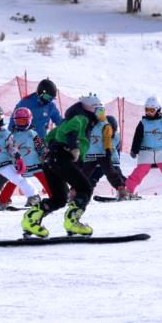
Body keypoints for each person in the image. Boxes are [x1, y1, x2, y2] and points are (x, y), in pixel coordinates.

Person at [21, 94, 103, 238]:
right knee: (86, 188)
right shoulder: (82, 118)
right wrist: (73, 147)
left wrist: (53, 149)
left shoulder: (70, 119)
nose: (101, 114)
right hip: (61, 159)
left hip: (50, 162)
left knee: (59, 199)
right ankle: (72, 222)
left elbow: (49, 137)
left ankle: (30, 220)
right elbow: (69, 131)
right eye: (99, 110)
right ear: (90, 109)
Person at [0, 78, 62, 202]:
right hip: (21, 141)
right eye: (47, 97)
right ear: (40, 93)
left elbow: (59, 122)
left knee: (46, 167)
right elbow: (12, 122)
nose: (49, 100)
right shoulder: (26, 103)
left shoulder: (50, 106)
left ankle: (57, 194)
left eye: (51, 98)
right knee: (13, 166)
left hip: (39, 141)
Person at [0, 107, 52, 211]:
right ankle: (3, 201)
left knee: (46, 180)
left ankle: (55, 198)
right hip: (20, 165)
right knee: (12, 182)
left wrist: (44, 154)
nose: (21, 124)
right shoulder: (12, 135)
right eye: (19, 121)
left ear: (29, 120)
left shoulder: (32, 134)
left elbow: (39, 146)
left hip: (34, 163)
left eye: (24, 121)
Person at [81, 114, 132, 199]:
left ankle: (126, 191)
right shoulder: (97, 134)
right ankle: (85, 194)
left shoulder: (116, 137)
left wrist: (116, 164)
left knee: (117, 176)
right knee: (92, 178)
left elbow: (116, 151)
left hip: (110, 162)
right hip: (97, 161)